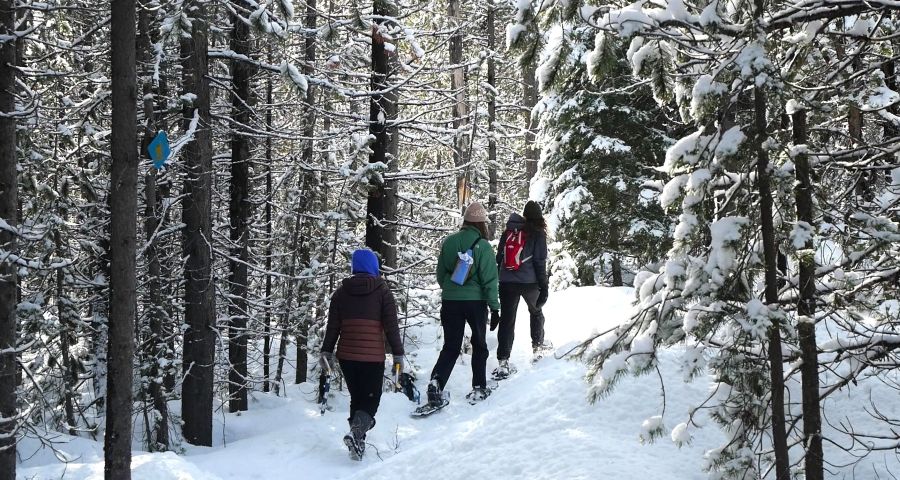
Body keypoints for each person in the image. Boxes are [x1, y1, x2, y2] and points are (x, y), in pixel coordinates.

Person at [320, 248, 404, 461]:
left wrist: (326, 351)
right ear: (374, 266)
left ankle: (357, 442)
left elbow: (333, 327)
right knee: (371, 400)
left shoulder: (341, 293)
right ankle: (357, 434)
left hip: (347, 357)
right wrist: (398, 354)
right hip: (372, 357)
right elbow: (391, 327)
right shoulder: (382, 291)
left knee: (357, 399)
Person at [426, 201, 501, 407]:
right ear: (481, 223)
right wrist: (494, 308)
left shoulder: (449, 242)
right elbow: (490, 281)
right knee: (479, 344)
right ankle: (478, 387)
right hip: (475, 302)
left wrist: (452, 289)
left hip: (450, 301)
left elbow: (441, 275)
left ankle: (436, 381)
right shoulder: (483, 246)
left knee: (450, 346)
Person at [493, 200, 549, 379]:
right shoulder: (538, 234)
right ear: (539, 217)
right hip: (529, 282)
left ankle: (503, 361)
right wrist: (544, 286)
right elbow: (540, 262)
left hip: (506, 281)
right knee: (536, 311)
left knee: (507, 320)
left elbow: (499, 257)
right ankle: (538, 348)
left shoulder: (509, 231)